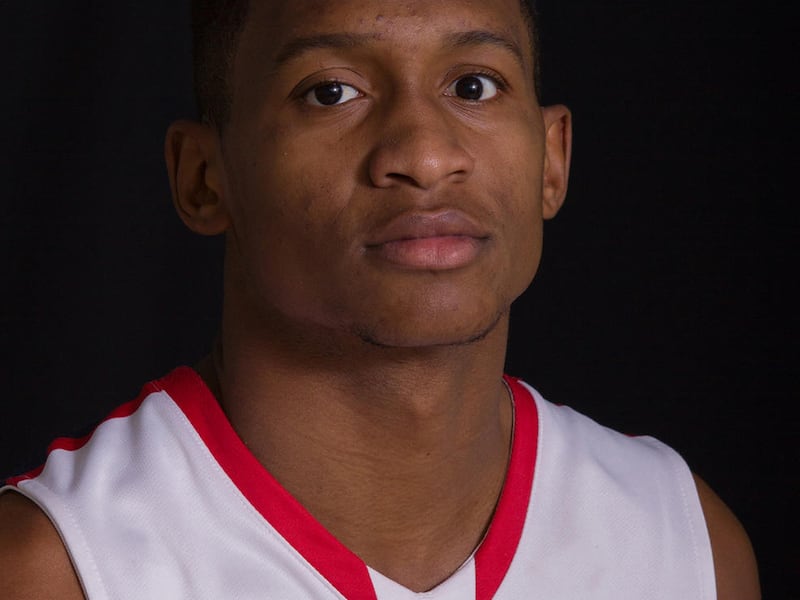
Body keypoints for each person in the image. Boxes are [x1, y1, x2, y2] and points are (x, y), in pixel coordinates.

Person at [0, 0, 760, 598]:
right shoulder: (57, 570)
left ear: (552, 160)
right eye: (331, 92)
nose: (425, 155)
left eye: (474, 85)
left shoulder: (683, 544)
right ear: (203, 177)